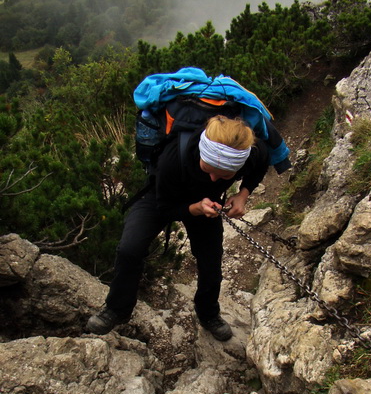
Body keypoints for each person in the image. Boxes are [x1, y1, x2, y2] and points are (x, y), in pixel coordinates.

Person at [87, 115, 289, 341]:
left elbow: (260, 165)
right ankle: (116, 309)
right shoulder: (173, 157)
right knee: (130, 248)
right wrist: (194, 208)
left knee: (210, 259)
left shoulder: (251, 152)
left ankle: (208, 313)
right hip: (161, 195)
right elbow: (165, 208)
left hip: (208, 203)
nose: (213, 178)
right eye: (208, 168)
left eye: (224, 176)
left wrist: (243, 195)